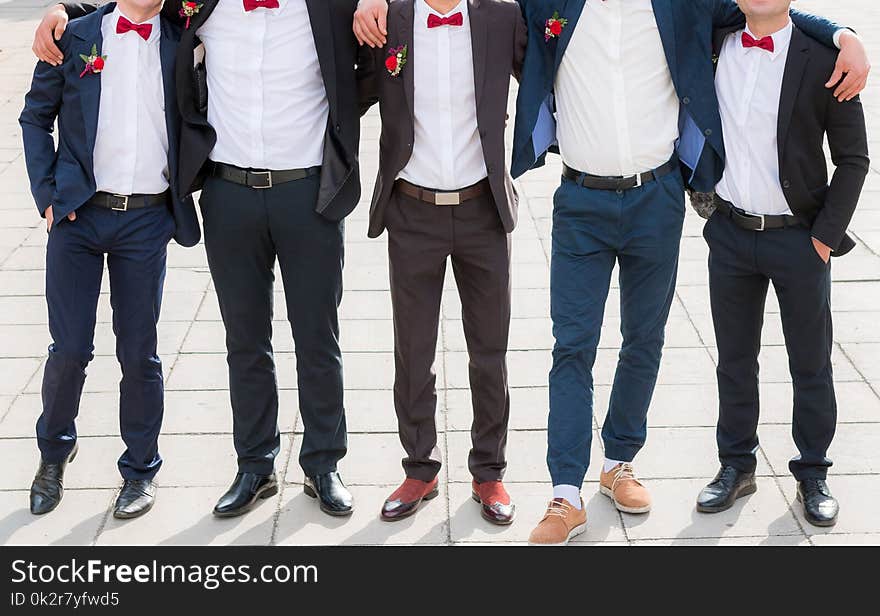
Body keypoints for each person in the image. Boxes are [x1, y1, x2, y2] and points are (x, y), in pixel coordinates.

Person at [456, 0, 863, 546]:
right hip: (581, 200)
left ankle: (620, 461)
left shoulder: (685, 5)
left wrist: (843, 33)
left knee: (644, 340)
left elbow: (766, 10)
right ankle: (566, 493)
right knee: (572, 345)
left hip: (658, 197)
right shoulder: (549, 3)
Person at [34, 0, 391, 519]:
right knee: (244, 340)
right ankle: (255, 464)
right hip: (229, 193)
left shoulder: (332, 7)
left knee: (317, 336)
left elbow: (380, 54)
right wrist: (64, 9)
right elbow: (134, 8)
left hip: (309, 192)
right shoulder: (202, 7)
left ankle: (322, 463)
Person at [20, 0, 200, 520]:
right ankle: (53, 454)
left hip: (146, 220)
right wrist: (48, 193)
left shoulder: (182, 36)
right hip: (78, 218)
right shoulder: (76, 36)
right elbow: (35, 117)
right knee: (70, 348)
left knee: (139, 352)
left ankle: (140, 470)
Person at [695, 0, 869, 528]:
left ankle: (813, 471)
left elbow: (854, 158)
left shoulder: (823, 59)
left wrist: (824, 238)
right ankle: (735, 464)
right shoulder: (715, 41)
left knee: (810, 362)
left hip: (799, 240)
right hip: (730, 232)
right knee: (734, 360)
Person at [360, 0, 526, 524]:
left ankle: (489, 471)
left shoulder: (504, 16)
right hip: (412, 210)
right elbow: (339, 77)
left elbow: (556, 65)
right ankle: (419, 468)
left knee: (489, 350)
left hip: (483, 210)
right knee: (413, 350)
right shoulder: (389, 20)